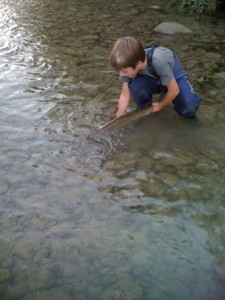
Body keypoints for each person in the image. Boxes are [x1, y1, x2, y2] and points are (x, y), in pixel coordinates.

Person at [109, 36, 201, 118]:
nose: (122, 74)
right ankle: (146, 111)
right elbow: (125, 94)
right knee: (136, 86)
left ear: (139, 64)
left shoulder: (158, 61)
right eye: (119, 71)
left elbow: (174, 90)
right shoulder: (127, 64)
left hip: (172, 76)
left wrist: (161, 105)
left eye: (124, 71)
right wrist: (120, 114)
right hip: (151, 78)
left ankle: (168, 96)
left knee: (190, 106)